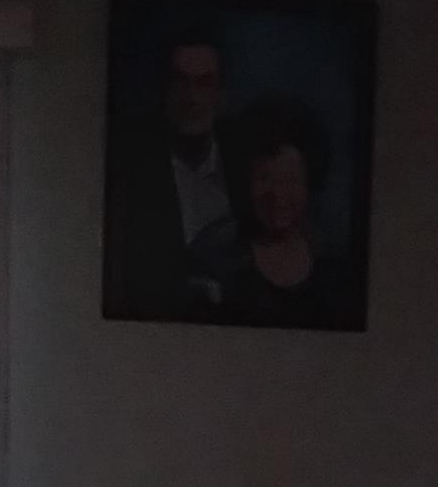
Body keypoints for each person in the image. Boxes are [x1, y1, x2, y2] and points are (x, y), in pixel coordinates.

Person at [103, 21, 237, 316]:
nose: (192, 98)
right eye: (181, 82)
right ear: (164, 89)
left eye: (204, 83)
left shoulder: (243, 161)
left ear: (221, 93)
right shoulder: (130, 165)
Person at [196, 99, 359, 329]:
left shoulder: (332, 261)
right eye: (265, 178)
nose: (277, 195)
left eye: (291, 180)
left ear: (309, 183)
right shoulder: (213, 255)